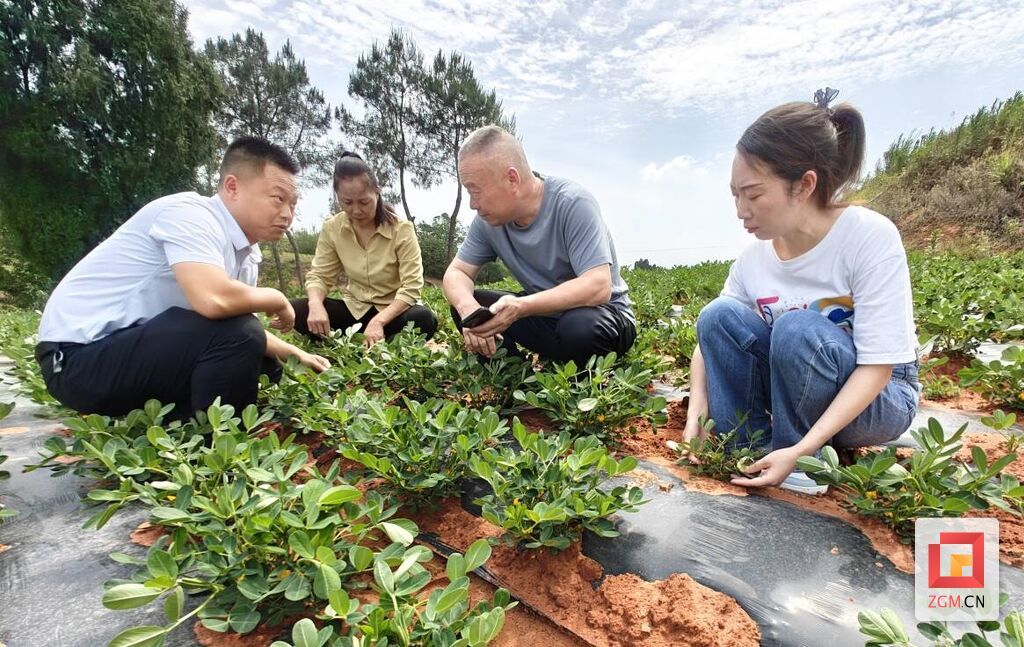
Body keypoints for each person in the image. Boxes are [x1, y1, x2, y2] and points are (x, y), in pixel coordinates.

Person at [684, 89, 920, 495]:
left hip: (879, 396)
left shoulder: (867, 237)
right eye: (735, 195)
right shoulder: (753, 258)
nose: (741, 209)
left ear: (804, 185)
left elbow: (879, 368)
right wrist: (696, 412)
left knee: (796, 329)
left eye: (754, 194)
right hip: (795, 389)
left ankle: (802, 466)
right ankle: (750, 452)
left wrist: (802, 449)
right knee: (717, 315)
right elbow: (710, 342)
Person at [35, 136, 330, 419]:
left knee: (264, 361)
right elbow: (214, 302)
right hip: (76, 361)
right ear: (232, 187)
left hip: (125, 351)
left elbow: (231, 324)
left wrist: (295, 353)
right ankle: (220, 450)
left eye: (293, 204)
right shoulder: (190, 215)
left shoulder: (246, 253)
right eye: (278, 199)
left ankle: (182, 419)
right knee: (241, 338)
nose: (287, 214)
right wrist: (278, 298)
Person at [442, 125, 635, 367]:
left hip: (604, 318)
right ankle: (515, 377)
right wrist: (468, 310)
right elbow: (457, 273)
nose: (472, 204)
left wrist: (521, 306)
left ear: (512, 179)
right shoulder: (486, 221)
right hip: (545, 318)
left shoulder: (573, 203)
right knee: (469, 306)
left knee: (578, 327)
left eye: (476, 191)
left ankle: (579, 378)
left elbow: (598, 287)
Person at [290, 152, 436, 346]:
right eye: (347, 202)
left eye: (364, 202)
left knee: (423, 318)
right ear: (338, 197)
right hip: (354, 309)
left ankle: (366, 338)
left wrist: (378, 321)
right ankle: (363, 339)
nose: (356, 210)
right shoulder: (333, 227)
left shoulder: (401, 230)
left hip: (391, 313)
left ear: (377, 191)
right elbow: (320, 275)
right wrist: (315, 305)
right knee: (296, 310)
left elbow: (411, 288)